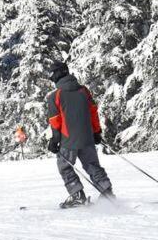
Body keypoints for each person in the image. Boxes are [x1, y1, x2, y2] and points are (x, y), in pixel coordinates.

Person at [45, 61, 114, 208]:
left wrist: (55, 140)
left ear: (57, 74)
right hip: (87, 137)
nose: (51, 78)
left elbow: (55, 121)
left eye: (51, 74)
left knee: (65, 167)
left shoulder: (55, 96)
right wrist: (96, 132)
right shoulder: (83, 91)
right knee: (92, 164)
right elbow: (93, 112)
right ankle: (106, 191)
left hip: (68, 139)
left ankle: (77, 195)